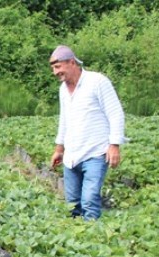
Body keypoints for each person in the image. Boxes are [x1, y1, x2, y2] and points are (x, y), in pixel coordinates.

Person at [49, 45, 125, 220]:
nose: (55, 72)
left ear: (71, 62)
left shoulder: (97, 82)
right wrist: (59, 149)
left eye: (58, 66)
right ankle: (77, 241)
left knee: (89, 201)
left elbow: (115, 113)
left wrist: (114, 145)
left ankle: (92, 241)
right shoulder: (63, 90)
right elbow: (64, 119)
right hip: (72, 155)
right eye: (53, 68)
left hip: (95, 152)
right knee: (73, 203)